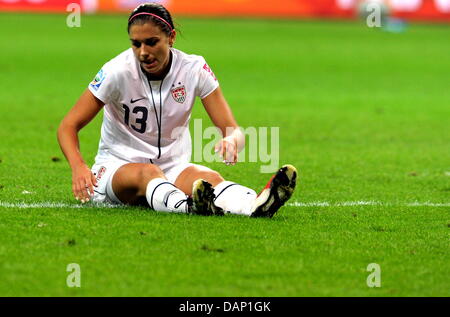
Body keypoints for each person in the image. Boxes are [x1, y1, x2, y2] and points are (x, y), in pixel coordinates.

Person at [57, 2, 297, 217]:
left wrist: (232, 142)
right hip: (117, 168)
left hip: (172, 167)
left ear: (171, 38)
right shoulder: (116, 72)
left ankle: (255, 206)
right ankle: (190, 206)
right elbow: (68, 125)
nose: (143, 52)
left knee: (210, 179)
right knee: (148, 173)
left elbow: (233, 130)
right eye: (136, 44)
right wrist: (79, 166)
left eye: (152, 42)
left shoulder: (193, 69)